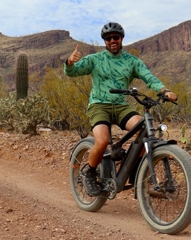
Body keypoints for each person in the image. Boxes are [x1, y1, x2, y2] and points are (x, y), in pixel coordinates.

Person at [64, 22, 177, 196]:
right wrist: (70, 62)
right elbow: (72, 72)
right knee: (102, 141)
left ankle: (134, 172)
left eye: (115, 37)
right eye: (108, 39)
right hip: (99, 105)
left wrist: (164, 90)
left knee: (144, 129)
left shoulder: (131, 61)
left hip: (121, 106)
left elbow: (149, 78)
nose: (112, 41)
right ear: (105, 41)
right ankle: (90, 173)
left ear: (121, 38)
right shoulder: (96, 59)